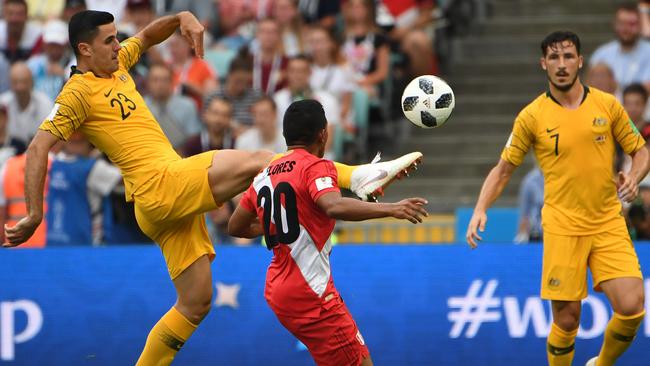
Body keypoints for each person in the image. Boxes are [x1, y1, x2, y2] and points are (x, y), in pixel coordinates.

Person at [3, 10, 424, 364]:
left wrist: (182, 17)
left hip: (161, 205)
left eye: (117, 39)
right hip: (161, 185)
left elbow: (149, 34)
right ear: (84, 50)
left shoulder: (118, 64)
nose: (119, 45)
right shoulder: (76, 94)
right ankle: (358, 176)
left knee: (195, 302)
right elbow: (39, 148)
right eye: (110, 41)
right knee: (262, 160)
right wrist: (35, 213)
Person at [466, 31, 648, 366]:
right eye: (554, 57)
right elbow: (503, 169)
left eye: (568, 57)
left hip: (607, 220)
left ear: (580, 61)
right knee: (567, 320)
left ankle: (601, 364)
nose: (561, 65)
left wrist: (634, 178)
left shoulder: (607, 105)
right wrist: (480, 208)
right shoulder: (532, 116)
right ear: (543, 64)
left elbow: (640, 150)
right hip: (563, 226)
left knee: (632, 308)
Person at [228, 99, 428, 366]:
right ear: (323, 134)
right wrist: (392, 209)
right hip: (310, 291)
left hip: (277, 288)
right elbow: (332, 205)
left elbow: (235, 226)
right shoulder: (316, 166)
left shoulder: (265, 175)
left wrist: (275, 223)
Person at [47, 132, 122, 246]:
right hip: (86, 244)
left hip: (53, 241)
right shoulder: (93, 167)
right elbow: (128, 180)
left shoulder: (52, 164)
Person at [274, 55, 339, 159]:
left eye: (302, 71)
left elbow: (328, 137)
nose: (297, 75)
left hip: (319, 160)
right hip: (284, 160)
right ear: (286, 73)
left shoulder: (327, 100)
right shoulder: (277, 100)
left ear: (310, 73)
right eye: (293, 71)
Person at [590, 3, 650, 91]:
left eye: (631, 24)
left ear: (640, 25)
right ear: (614, 24)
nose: (626, 28)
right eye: (621, 23)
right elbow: (590, 87)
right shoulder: (601, 54)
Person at [144, 63, 202, 151]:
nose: (160, 85)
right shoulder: (140, 105)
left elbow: (194, 138)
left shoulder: (188, 105)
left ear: (172, 82)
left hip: (181, 156)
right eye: (155, 80)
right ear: (148, 83)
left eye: (164, 80)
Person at [0, 62, 53, 147]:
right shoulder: (3, 104)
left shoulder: (45, 104)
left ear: (32, 82)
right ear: (10, 83)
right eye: (15, 82)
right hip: (8, 152)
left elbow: (50, 137)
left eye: (24, 82)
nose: (20, 87)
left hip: (38, 149)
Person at [204, 54, 262, 128]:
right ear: (229, 75)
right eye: (238, 81)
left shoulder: (257, 97)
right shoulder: (212, 97)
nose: (242, 86)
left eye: (246, 82)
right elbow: (207, 123)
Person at [27, 19, 74, 102]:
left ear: (65, 43)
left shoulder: (74, 63)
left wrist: (65, 75)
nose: (54, 48)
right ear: (44, 43)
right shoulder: (33, 64)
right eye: (51, 44)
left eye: (58, 44)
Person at [514, 166, 544, 243]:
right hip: (538, 235)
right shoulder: (530, 180)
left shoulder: (564, 177)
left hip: (560, 233)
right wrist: (521, 235)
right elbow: (525, 212)